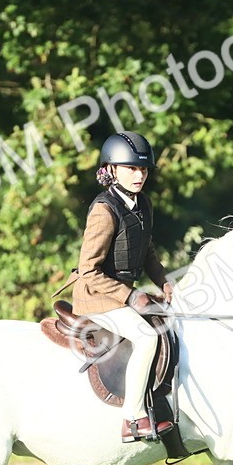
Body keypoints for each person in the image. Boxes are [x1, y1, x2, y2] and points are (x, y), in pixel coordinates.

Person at [71, 131, 176, 443]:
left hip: (119, 295)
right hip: (96, 298)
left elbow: (147, 251)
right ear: (112, 170)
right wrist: (131, 295)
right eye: (131, 169)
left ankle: (161, 406)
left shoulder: (144, 203)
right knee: (146, 337)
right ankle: (131, 417)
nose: (139, 175)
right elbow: (89, 270)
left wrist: (165, 282)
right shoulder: (104, 210)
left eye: (143, 169)